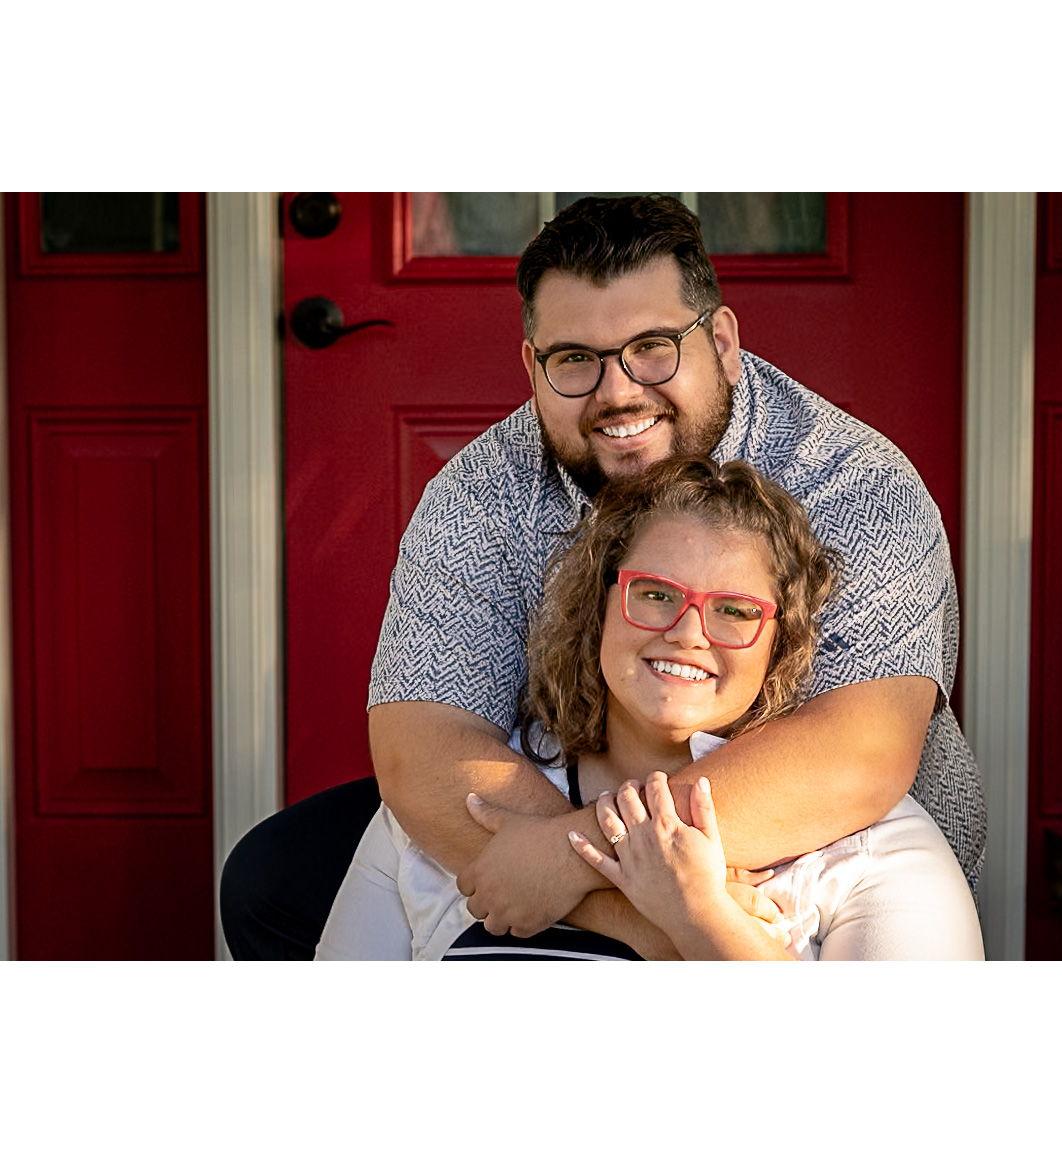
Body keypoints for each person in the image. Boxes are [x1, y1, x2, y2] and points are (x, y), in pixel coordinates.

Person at [220, 194, 986, 961]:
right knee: (274, 879)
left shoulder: (854, 483)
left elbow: (857, 755)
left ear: (722, 342)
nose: (618, 392)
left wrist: (565, 857)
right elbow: (420, 746)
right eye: (575, 359)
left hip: (814, 828)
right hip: (568, 789)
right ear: (533, 366)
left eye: (652, 347)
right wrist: (635, 912)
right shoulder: (479, 492)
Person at [315, 456, 983, 960]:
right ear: (599, 606)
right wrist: (629, 909)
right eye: (657, 594)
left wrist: (696, 914)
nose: (689, 633)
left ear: (779, 646)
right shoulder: (465, 806)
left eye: (734, 611)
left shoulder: (870, 846)